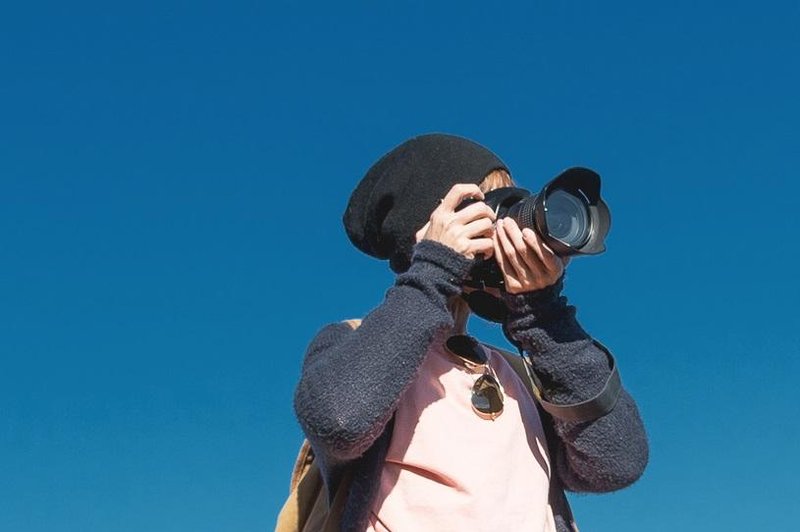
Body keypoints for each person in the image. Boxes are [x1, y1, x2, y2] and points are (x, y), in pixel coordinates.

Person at [293, 133, 648, 531]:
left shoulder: (519, 374)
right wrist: (433, 270)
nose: (505, 230)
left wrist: (545, 317)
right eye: (487, 211)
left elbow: (617, 462)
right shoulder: (351, 342)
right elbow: (340, 421)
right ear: (428, 226)